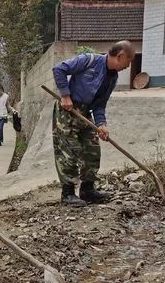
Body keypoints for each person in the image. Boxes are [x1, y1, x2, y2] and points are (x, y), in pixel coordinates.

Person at [52, 41, 135, 207]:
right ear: (120, 56)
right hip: (68, 111)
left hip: (85, 114)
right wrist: (65, 95)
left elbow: (99, 105)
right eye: (129, 60)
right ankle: (67, 193)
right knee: (69, 152)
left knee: (92, 150)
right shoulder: (89, 60)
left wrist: (102, 124)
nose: (128, 65)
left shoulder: (112, 78)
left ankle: (87, 190)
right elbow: (59, 69)